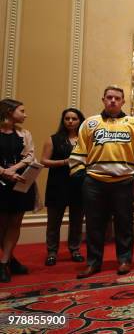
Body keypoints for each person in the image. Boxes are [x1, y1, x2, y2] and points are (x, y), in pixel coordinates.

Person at [70, 86, 134, 278]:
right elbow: (78, 153)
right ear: (103, 99)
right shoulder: (89, 123)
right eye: (109, 97)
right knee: (95, 225)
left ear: (123, 102)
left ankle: (124, 260)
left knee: (124, 224)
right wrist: (81, 176)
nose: (113, 101)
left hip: (123, 181)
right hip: (94, 181)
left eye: (117, 98)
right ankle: (93, 262)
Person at [41, 108, 86, 266]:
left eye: (74, 118)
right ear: (63, 120)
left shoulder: (85, 139)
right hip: (57, 183)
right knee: (54, 222)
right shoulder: (53, 139)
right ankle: (52, 252)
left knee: (76, 221)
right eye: (67, 118)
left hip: (78, 184)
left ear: (80, 121)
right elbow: (44, 161)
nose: (70, 121)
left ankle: (75, 249)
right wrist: (66, 162)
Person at [0, 99, 36, 282]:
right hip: (1, 181)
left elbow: (30, 155)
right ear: (8, 112)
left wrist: (13, 170)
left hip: (20, 181)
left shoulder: (24, 133)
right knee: (2, 223)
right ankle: (10, 259)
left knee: (15, 221)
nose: (25, 114)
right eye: (22, 111)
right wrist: (4, 172)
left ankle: (5, 262)